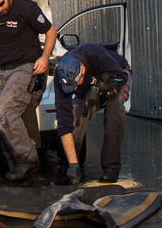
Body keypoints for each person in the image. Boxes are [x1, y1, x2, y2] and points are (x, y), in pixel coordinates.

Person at [0, 0, 56, 184]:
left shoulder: (26, 8)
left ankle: (29, 161)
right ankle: (14, 165)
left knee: (5, 112)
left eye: (1, 4)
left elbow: (50, 31)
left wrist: (44, 58)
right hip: (4, 69)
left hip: (25, 67)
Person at [52, 42, 131, 184]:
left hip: (116, 76)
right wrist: (72, 164)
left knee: (114, 112)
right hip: (91, 85)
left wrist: (99, 88)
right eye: (70, 87)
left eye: (75, 85)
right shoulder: (60, 78)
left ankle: (111, 169)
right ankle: (68, 169)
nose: (73, 89)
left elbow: (121, 77)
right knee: (75, 117)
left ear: (82, 69)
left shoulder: (93, 52)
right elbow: (64, 123)